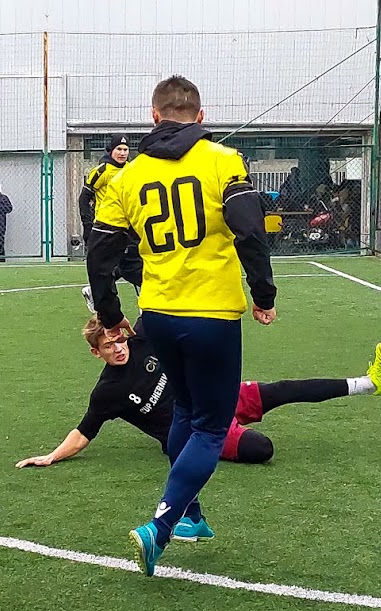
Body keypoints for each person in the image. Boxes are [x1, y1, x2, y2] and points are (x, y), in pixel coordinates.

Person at [86, 75, 276, 576]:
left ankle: (191, 516)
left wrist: (109, 314)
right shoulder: (223, 160)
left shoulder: (124, 178)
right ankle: (162, 526)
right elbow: (249, 230)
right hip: (211, 313)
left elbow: (100, 253)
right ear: (200, 114)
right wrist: (263, 294)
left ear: (153, 116)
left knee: (186, 413)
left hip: (159, 314)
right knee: (213, 427)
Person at [15, 316, 381, 522]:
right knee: (262, 448)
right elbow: (84, 433)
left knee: (281, 390)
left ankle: (368, 383)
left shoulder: (145, 338)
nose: (117, 349)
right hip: (198, 431)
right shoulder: (107, 392)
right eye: (108, 346)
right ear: (96, 353)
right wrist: (51, 456)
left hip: (213, 395)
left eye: (119, 340)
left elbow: (159, 307)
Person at [79, 135, 143, 310]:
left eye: (125, 149)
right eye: (119, 149)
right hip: (106, 227)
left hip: (130, 226)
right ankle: (101, 298)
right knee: (116, 264)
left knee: (134, 262)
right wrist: (88, 225)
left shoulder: (132, 169)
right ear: (111, 150)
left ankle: (143, 303)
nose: (122, 153)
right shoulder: (102, 171)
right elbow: (84, 198)